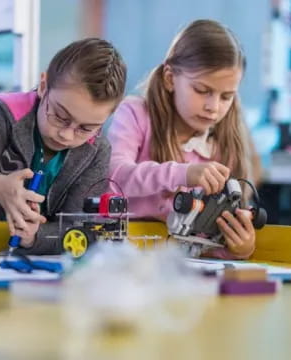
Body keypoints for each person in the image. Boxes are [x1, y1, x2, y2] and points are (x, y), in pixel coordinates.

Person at [0, 38, 127, 255]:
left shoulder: (98, 150)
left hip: (33, 263)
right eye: (59, 116)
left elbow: (80, 228)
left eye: (85, 128)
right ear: (43, 86)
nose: (67, 135)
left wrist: (35, 236)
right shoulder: (3, 116)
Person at [107, 19, 258, 259]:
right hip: (121, 257)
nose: (213, 107)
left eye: (226, 96)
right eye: (202, 90)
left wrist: (239, 249)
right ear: (170, 78)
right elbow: (113, 178)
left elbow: (208, 245)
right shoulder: (135, 114)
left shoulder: (223, 146)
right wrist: (183, 173)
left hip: (180, 273)